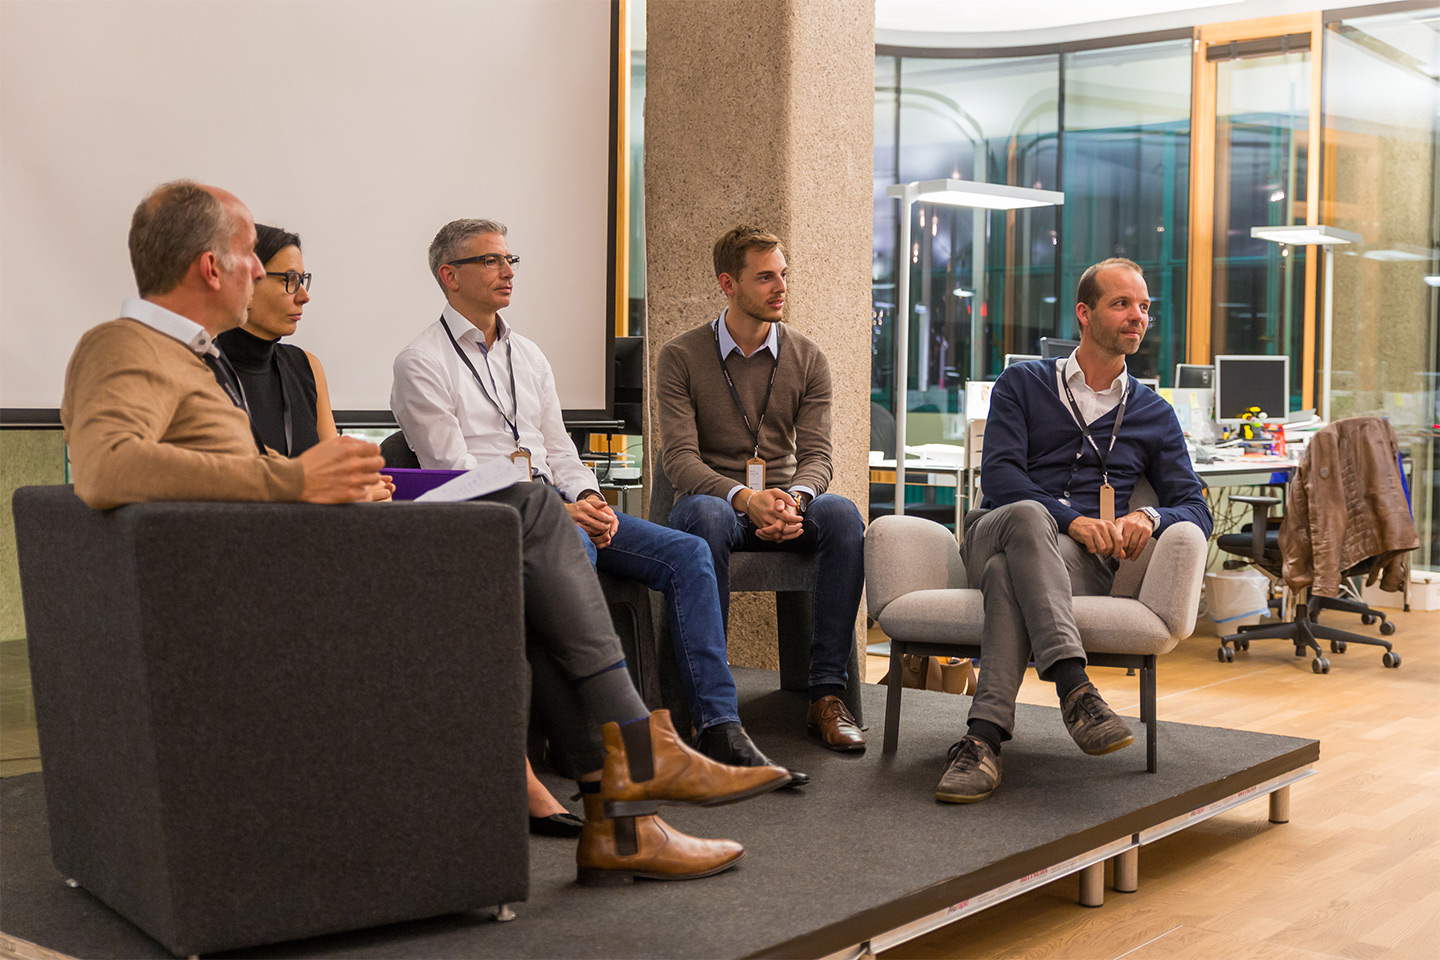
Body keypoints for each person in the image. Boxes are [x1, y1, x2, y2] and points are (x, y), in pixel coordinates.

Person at [61, 180, 789, 884]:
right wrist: (292, 479)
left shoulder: (196, 356)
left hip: (284, 554)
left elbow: (220, 469)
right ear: (208, 265)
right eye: (252, 254)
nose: (263, 271)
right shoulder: (122, 346)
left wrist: (339, 479)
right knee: (529, 518)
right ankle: (636, 755)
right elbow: (104, 467)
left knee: (520, 554)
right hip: (260, 588)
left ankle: (622, 822)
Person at [391, 219, 807, 786]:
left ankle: (716, 725)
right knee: (576, 553)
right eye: (491, 261)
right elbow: (453, 475)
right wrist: (559, 515)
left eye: (510, 259)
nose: (508, 271)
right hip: (494, 522)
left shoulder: (528, 355)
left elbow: (559, 449)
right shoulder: (421, 362)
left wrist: (588, 497)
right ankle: (591, 744)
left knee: (688, 555)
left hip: (561, 507)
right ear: (450, 275)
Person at [933, 258, 1213, 804]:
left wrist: (1147, 517)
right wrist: (1073, 518)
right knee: (1028, 517)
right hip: (997, 526)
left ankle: (982, 739)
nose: (1138, 316)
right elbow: (1002, 477)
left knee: (1004, 576)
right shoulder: (1024, 382)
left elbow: (1194, 507)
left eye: (1145, 308)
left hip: (1078, 564)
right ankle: (1073, 686)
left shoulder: (1154, 412)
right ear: (1085, 314)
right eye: (1123, 304)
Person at [655, 225, 867, 752]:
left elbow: (818, 455)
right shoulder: (680, 356)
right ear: (728, 283)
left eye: (784, 275)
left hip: (786, 503)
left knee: (842, 516)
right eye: (765, 277)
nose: (781, 288)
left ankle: (825, 696)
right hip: (714, 505)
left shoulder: (808, 356)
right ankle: (713, 705)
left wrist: (796, 498)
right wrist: (746, 497)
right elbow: (679, 459)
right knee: (706, 516)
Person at [214, 224, 390, 499]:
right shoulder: (200, 365)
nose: (304, 296)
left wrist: (362, 486)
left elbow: (337, 472)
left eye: (302, 280)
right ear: (246, 282)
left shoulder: (307, 366)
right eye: (289, 280)